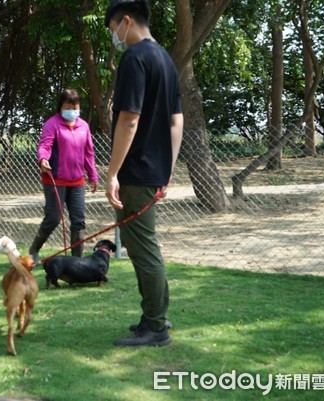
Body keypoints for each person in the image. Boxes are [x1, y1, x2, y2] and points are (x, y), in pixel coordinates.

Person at [104, 0, 184, 347]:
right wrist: (167, 169)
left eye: (113, 31)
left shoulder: (135, 58)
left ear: (125, 21)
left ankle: (157, 327)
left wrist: (112, 173)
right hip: (154, 172)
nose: (115, 38)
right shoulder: (165, 60)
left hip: (136, 173)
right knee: (141, 248)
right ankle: (150, 318)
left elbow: (129, 118)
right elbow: (176, 120)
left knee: (144, 250)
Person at [29, 89, 99, 263]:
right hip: (55, 180)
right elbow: (45, 145)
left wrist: (93, 176)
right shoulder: (52, 124)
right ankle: (34, 249)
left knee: (78, 221)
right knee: (53, 218)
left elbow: (88, 153)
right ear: (60, 106)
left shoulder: (84, 125)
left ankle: (77, 262)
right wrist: (43, 159)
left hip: (77, 182)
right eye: (68, 106)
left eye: (75, 106)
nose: (72, 109)